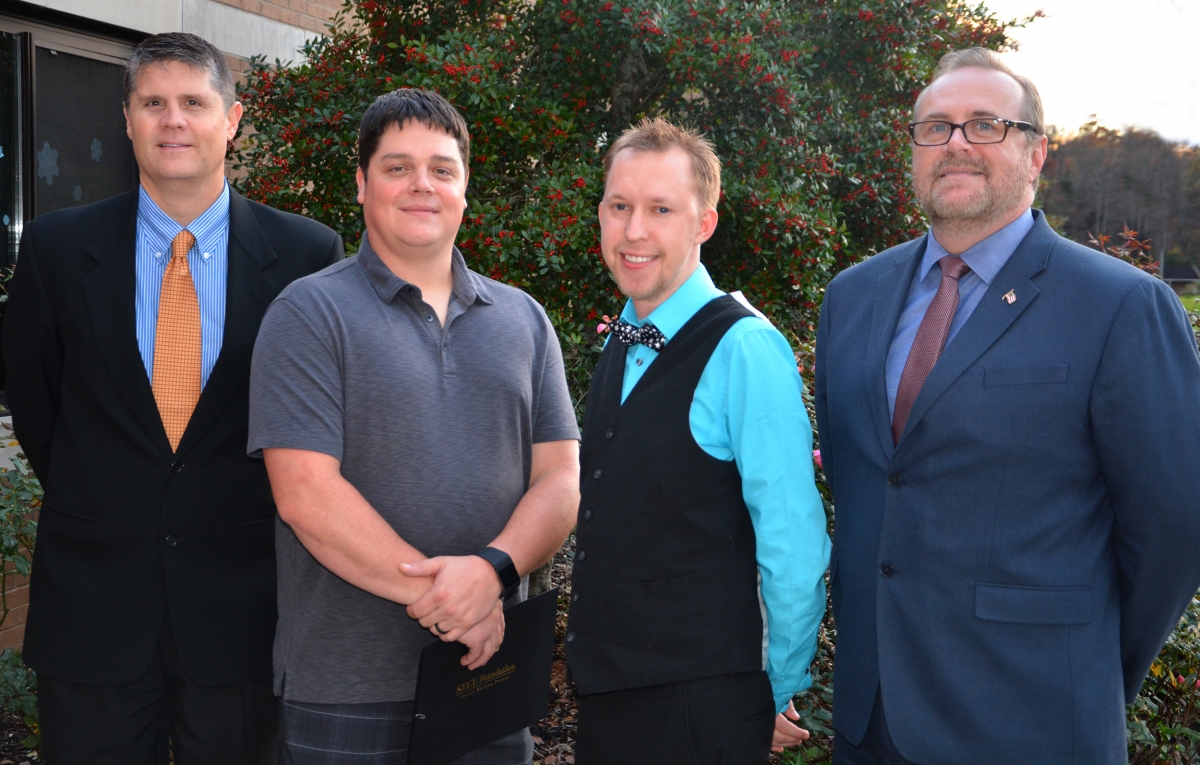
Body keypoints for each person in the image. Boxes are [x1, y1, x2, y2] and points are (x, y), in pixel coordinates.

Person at [814, 47, 1200, 765]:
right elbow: (864, 481)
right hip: (873, 723)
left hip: (1037, 720)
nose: (956, 142)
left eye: (984, 124)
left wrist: (1081, 664)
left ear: (1036, 153)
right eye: (935, 127)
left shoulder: (1121, 305)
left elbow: (1175, 526)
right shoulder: (853, 296)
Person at [1, 32, 343, 763]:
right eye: (152, 103)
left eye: (193, 101)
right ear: (126, 119)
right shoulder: (57, 249)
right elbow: (36, 404)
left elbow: (317, 420)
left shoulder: (307, 256)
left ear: (234, 118)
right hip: (94, 608)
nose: (173, 120)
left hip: (243, 608)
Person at [247, 87, 580, 765]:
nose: (421, 184)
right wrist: (451, 601)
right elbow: (305, 493)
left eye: (441, 168)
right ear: (363, 184)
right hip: (349, 687)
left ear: (465, 187)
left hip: (486, 680)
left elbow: (561, 478)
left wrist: (491, 574)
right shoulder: (309, 313)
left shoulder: (524, 319)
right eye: (397, 167)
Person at [564, 118, 831, 764]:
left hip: (697, 708)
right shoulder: (624, 335)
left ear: (703, 223)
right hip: (608, 695)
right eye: (619, 206)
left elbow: (794, 543)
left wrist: (774, 686)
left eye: (661, 209)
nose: (633, 230)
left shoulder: (746, 349)